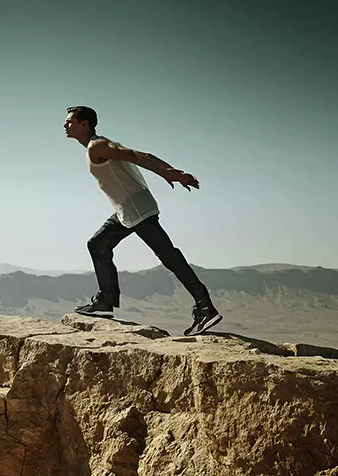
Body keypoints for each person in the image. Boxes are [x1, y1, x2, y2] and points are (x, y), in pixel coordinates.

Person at [64, 105, 222, 336]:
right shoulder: (94, 146)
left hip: (137, 208)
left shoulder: (97, 145)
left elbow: (136, 155)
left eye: (70, 121)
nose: (65, 125)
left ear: (84, 123)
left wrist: (170, 173)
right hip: (125, 211)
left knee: (169, 256)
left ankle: (205, 307)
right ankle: (105, 302)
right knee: (97, 244)